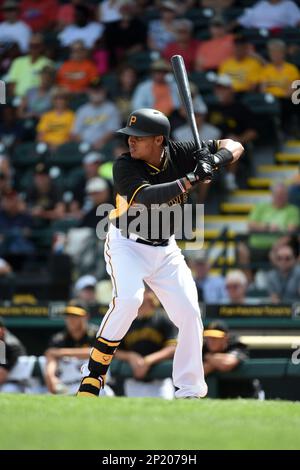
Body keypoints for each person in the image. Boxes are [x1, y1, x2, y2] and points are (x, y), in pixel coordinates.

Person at [77, 107, 244, 399]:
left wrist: (215, 160)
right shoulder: (124, 164)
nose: (130, 142)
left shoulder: (181, 151)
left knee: (190, 314)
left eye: (138, 137)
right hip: (127, 243)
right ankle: (94, 372)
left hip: (165, 248)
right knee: (129, 301)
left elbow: (235, 145)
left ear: (158, 140)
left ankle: (190, 389)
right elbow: (146, 198)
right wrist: (191, 178)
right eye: (129, 136)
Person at [113, 287, 177, 399]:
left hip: (160, 382)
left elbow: (173, 348)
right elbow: (114, 350)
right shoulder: (126, 320)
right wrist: (130, 356)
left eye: (145, 291)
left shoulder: (163, 318)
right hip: (133, 381)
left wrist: (148, 361)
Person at [44, 301, 103, 395]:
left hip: (95, 383)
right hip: (67, 384)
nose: (71, 320)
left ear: (85, 317)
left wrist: (62, 352)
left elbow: (100, 352)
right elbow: (51, 356)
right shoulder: (59, 338)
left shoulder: (97, 334)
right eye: (68, 316)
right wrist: (50, 375)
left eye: (75, 316)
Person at [203, 320, 256, 398]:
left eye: (215, 338)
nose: (211, 341)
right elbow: (196, 374)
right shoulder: (203, 348)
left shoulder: (235, 345)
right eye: (209, 337)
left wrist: (209, 357)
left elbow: (227, 364)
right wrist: (216, 362)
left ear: (225, 338)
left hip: (246, 395)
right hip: (218, 397)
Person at [0, 316, 26, 393]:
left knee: (7, 390)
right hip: (5, 382)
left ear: (2, 330)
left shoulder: (12, 345)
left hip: (15, 383)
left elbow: (2, 374)